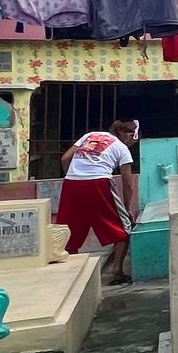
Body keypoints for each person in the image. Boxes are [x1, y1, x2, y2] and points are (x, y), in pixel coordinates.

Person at [58, 118, 139, 285]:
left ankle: (71, 273)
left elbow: (65, 158)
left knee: (69, 230)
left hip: (71, 183)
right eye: (134, 140)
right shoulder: (122, 148)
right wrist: (126, 207)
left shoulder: (90, 135)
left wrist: (74, 175)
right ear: (129, 136)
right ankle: (117, 271)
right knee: (123, 228)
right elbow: (128, 183)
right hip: (98, 183)